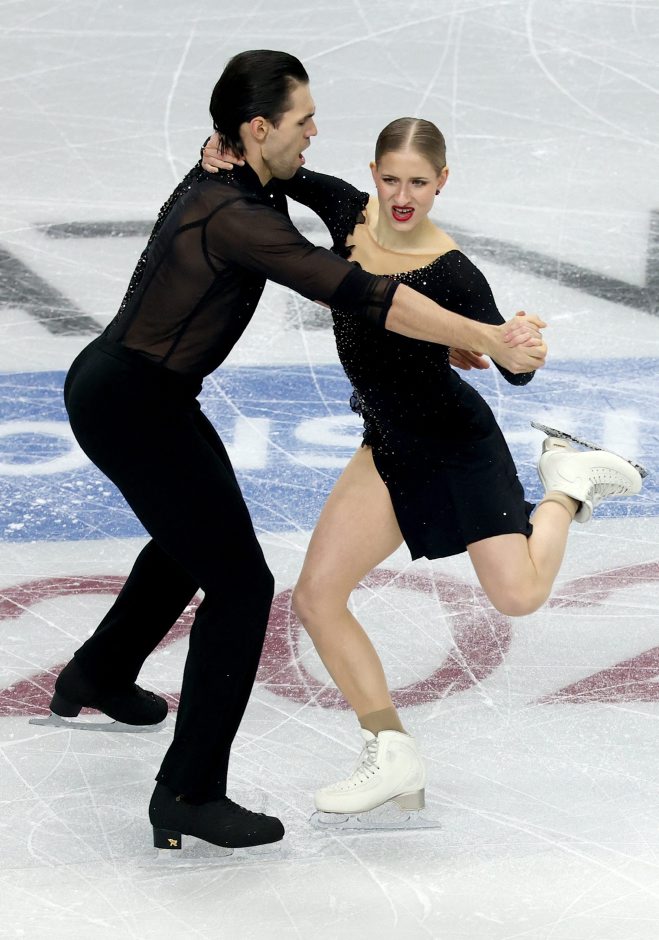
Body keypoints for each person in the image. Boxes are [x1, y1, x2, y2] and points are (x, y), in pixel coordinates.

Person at [47, 51, 548, 853]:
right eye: (302, 120)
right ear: (258, 128)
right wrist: (483, 336)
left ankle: (99, 673)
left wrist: (467, 337)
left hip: (147, 395)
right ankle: (187, 792)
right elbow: (363, 294)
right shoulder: (236, 215)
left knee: (188, 544)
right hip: (130, 404)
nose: (313, 132)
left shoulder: (243, 176)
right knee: (241, 585)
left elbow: (316, 197)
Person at [201, 115, 643, 819]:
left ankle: (568, 486)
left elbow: (514, 367)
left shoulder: (453, 272)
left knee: (518, 595)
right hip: (387, 443)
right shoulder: (348, 213)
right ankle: (391, 750)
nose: (402, 196)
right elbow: (279, 168)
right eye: (390, 179)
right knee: (316, 597)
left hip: (456, 445)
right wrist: (224, 147)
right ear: (372, 176)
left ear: (441, 182)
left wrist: (520, 346)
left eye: (417, 182)